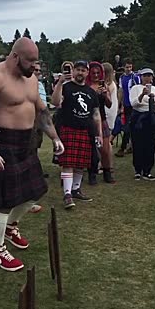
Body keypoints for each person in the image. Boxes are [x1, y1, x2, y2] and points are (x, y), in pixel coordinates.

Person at [0, 38, 65, 272]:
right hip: (1, 143)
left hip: (25, 143)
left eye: (36, 61)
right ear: (15, 56)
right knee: (4, 201)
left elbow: (42, 111)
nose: (34, 66)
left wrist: (55, 137)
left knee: (35, 193)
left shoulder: (31, 79)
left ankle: (10, 227)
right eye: (30, 61)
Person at [51, 60, 103, 209]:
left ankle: (76, 189)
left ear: (87, 73)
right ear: (73, 71)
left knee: (81, 163)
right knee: (68, 163)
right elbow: (55, 102)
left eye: (83, 70)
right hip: (69, 128)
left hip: (85, 130)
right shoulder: (66, 87)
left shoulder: (91, 92)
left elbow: (96, 114)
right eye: (78, 70)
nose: (80, 72)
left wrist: (99, 133)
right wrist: (60, 83)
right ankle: (67, 194)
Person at [128, 68, 155, 180]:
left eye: (149, 75)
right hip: (138, 118)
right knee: (138, 144)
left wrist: (153, 100)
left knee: (150, 144)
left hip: (150, 117)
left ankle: (147, 171)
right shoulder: (135, 88)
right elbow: (133, 103)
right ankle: (138, 170)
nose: (147, 78)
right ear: (141, 77)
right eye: (145, 76)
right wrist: (142, 95)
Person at [86, 62, 115, 185]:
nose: (96, 75)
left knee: (105, 149)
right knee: (90, 150)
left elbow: (109, 104)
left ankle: (107, 173)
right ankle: (92, 174)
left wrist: (105, 95)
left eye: (98, 73)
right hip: (88, 120)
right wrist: (93, 93)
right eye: (93, 73)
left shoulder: (104, 86)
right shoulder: (86, 86)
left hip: (102, 119)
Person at [29, 62, 48, 214]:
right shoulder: (22, 83)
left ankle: (28, 197)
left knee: (33, 156)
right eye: (35, 70)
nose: (37, 72)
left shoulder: (40, 85)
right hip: (24, 126)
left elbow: (44, 107)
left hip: (37, 126)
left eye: (39, 71)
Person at [116, 59, 141, 157]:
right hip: (126, 105)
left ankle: (123, 148)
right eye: (127, 67)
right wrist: (119, 104)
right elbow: (121, 91)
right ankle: (130, 146)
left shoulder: (135, 77)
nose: (129, 69)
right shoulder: (122, 78)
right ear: (124, 67)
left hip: (134, 105)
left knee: (128, 127)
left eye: (130, 67)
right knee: (129, 126)